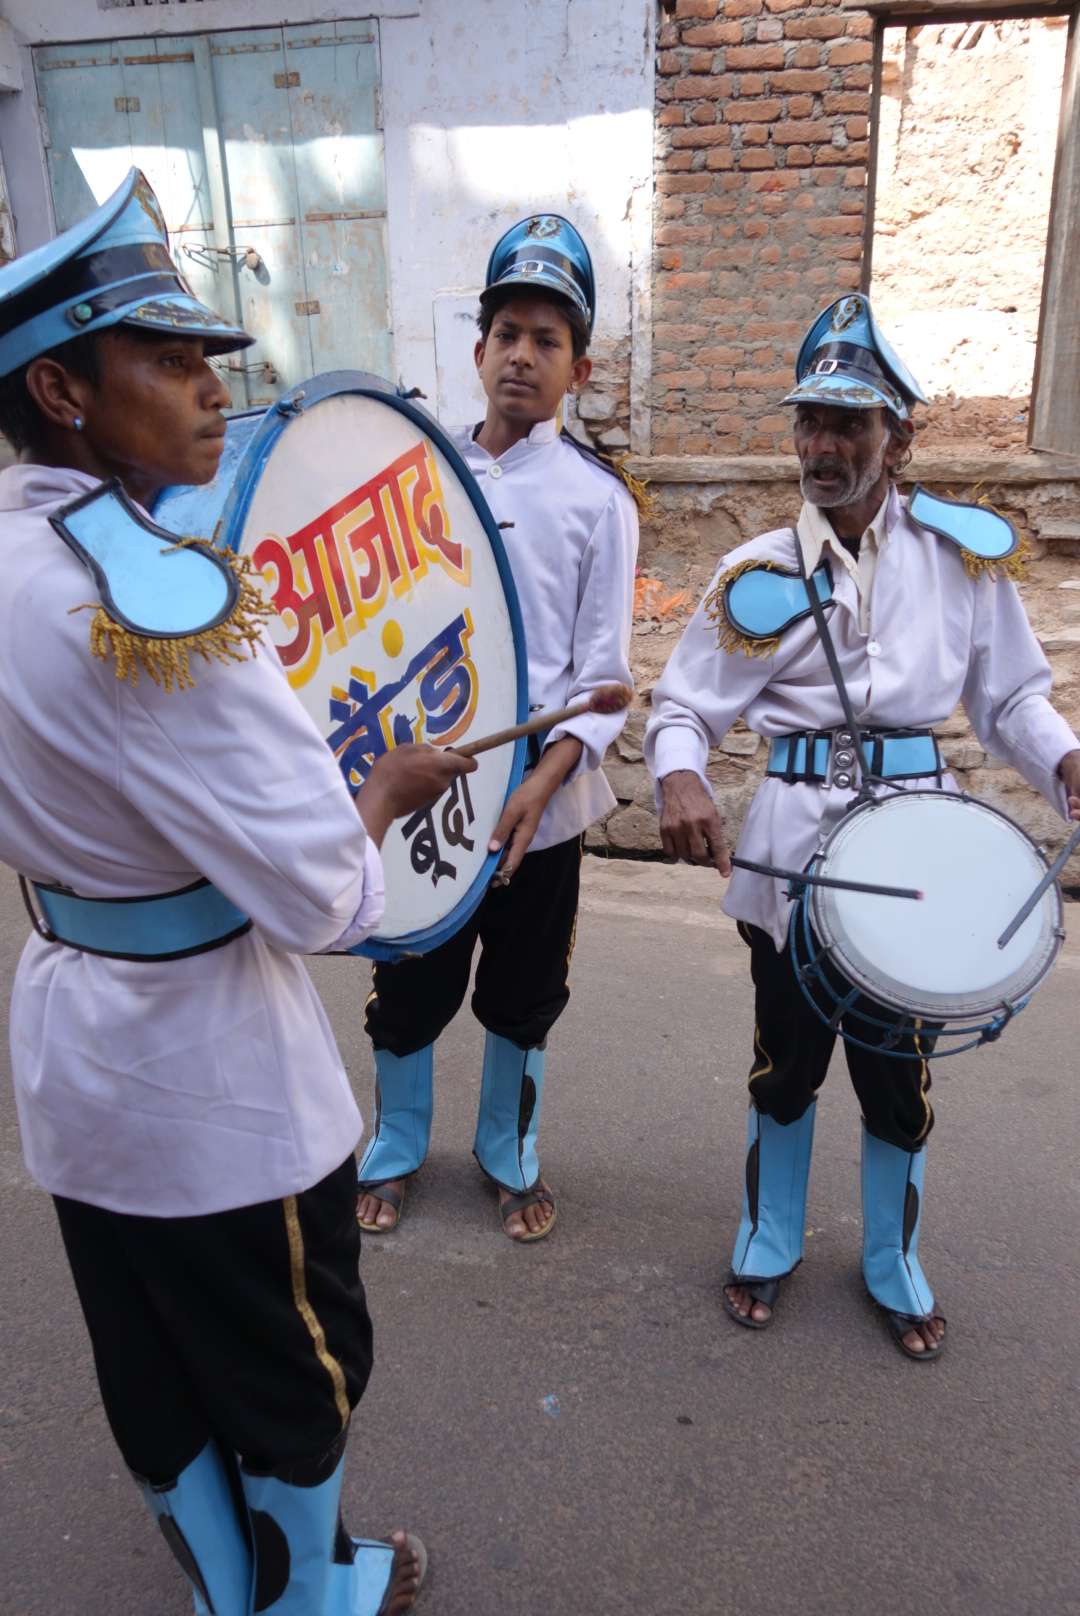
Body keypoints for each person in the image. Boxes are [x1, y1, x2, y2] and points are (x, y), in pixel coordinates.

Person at [0, 169, 474, 1614]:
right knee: (295, 1371)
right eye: (170, 359)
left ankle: (230, 1591)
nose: (217, 387)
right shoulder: (153, 606)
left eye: (210, 356)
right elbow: (326, 899)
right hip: (215, 1078)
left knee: (150, 1367)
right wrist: (378, 794)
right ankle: (306, 1600)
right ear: (62, 390)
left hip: (74, 1047)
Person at [644, 294, 1080, 1360]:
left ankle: (893, 1259)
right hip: (790, 856)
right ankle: (768, 1237)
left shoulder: (960, 558)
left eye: (849, 423)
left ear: (899, 437)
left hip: (917, 856)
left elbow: (1012, 699)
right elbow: (683, 707)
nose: (823, 446)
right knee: (785, 1063)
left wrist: (1066, 761)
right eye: (810, 421)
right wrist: (679, 778)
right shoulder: (755, 572)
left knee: (898, 1075)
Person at [356, 215, 639, 1242]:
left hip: (541, 800)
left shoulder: (599, 501)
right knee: (410, 971)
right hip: (427, 777)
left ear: (579, 368)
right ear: (477, 350)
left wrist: (542, 784)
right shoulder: (419, 480)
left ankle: (507, 1151)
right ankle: (394, 1147)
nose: (522, 354)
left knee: (524, 988)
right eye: (507, 333)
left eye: (546, 339)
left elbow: (603, 679)